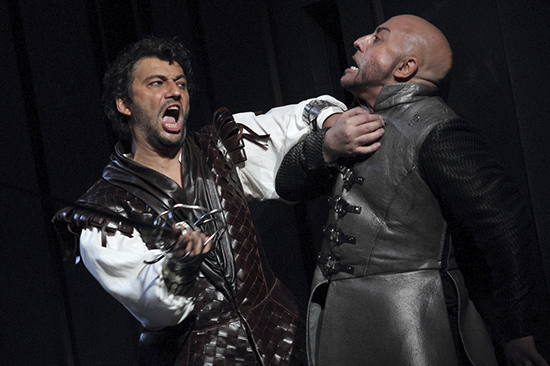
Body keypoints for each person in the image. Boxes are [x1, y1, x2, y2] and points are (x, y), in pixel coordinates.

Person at [52, 36, 386, 365]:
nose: (174, 92)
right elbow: (152, 302)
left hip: (285, 342)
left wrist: (330, 125)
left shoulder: (218, 148)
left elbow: (295, 119)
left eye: (180, 84)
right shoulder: (104, 212)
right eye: (157, 83)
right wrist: (181, 263)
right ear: (124, 103)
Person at [275, 14, 548, 366]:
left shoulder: (437, 131)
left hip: (412, 324)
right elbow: (287, 185)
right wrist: (325, 146)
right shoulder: (354, 124)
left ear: (405, 67)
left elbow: (505, 226)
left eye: (378, 38)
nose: (359, 41)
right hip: (345, 320)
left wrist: (518, 330)